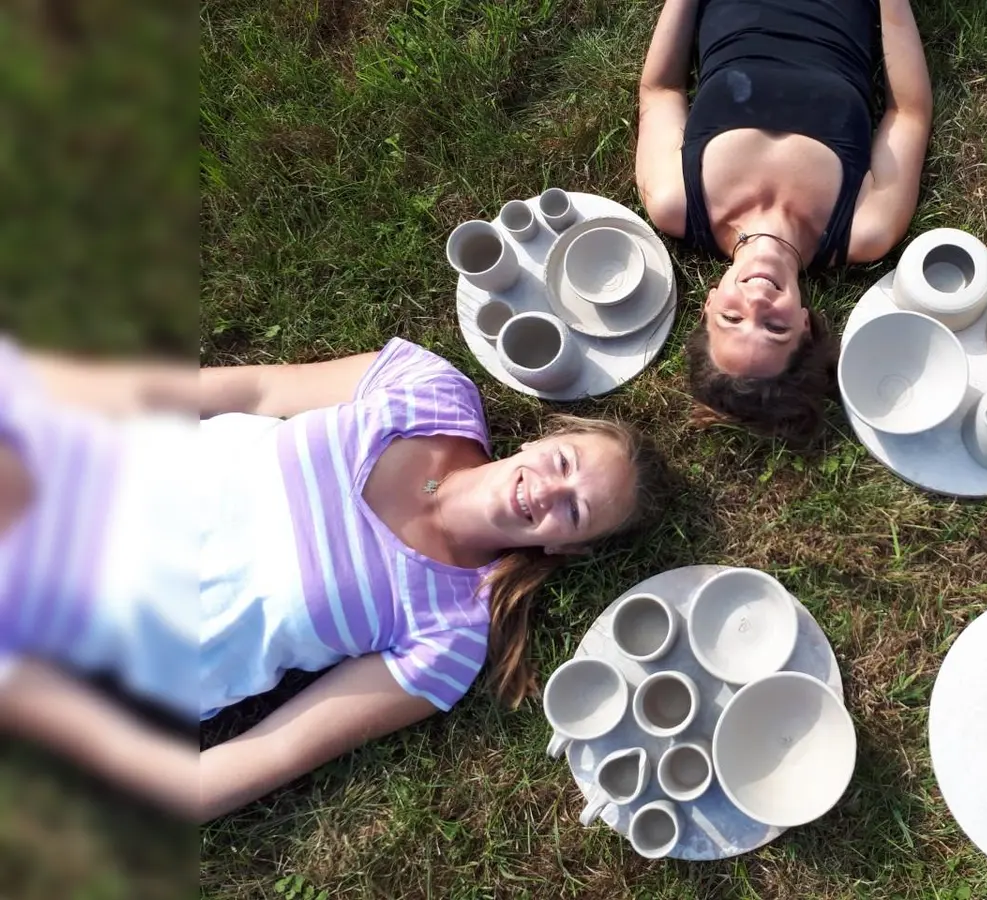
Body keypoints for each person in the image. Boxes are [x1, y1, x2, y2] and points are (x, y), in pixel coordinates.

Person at [0, 337, 661, 821]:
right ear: (541, 441)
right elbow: (254, 390)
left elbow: (279, 748)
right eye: (564, 463)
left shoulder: (451, 634)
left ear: (561, 545)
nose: (548, 490)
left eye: (574, 510)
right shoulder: (430, 391)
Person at [635, 0, 933, 443]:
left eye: (731, 318)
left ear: (708, 305)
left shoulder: (675, 200)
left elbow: (660, 91)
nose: (756, 301)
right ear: (805, 325)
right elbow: (908, 112)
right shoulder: (865, 227)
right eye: (775, 328)